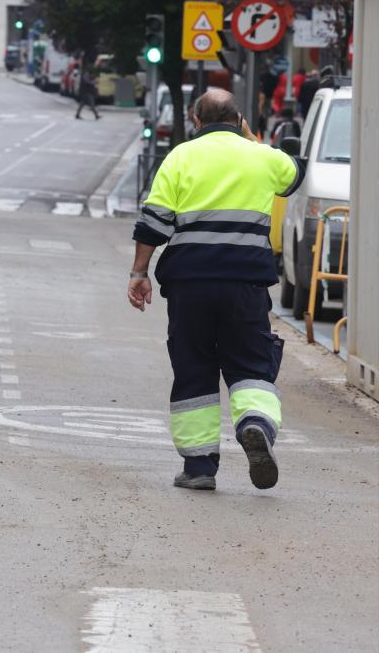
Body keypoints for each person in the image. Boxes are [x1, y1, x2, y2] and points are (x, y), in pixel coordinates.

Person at [127, 89, 303, 492]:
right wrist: (251, 139)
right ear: (239, 119)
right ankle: (255, 425)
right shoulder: (262, 156)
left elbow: (153, 222)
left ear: (195, 119)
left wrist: (139, 272)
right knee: (251, 366)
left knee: (194, 368)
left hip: (190, 286)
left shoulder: (180, 157)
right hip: (245, 284)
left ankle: (199, 467)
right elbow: (293, 175)